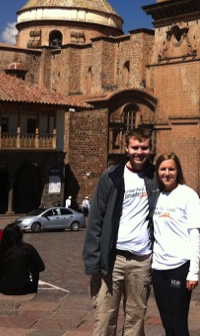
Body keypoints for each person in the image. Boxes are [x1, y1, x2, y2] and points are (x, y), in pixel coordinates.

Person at [82, 127, 160, 336]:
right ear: (126, 148)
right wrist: (93, 261)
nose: (139, 152)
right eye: (135, 147)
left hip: (142, 260)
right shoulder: (111, 176)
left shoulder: (155, 177)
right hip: (112, 259)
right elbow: (96, 220)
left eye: (144, 148)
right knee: (105, 318)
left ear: (150, 149)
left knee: (135, 320)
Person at [151, 152, 200, 336]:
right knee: (167, 322)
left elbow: (196, 235)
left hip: (180, 266)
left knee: (178, 323)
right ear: (157, 171)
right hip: (158, 268)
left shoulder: (188, 195)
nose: (167, 173)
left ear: (178, 171)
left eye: (171, 169)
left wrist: (193, 272)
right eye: (163, 169)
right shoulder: (155, 194)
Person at [0, 223, 45, 295]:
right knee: (35, 271)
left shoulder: (2, 250)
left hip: (4, 287)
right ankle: (34, 290)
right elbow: (41, 267)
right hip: (24, 287)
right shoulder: (27, 248)